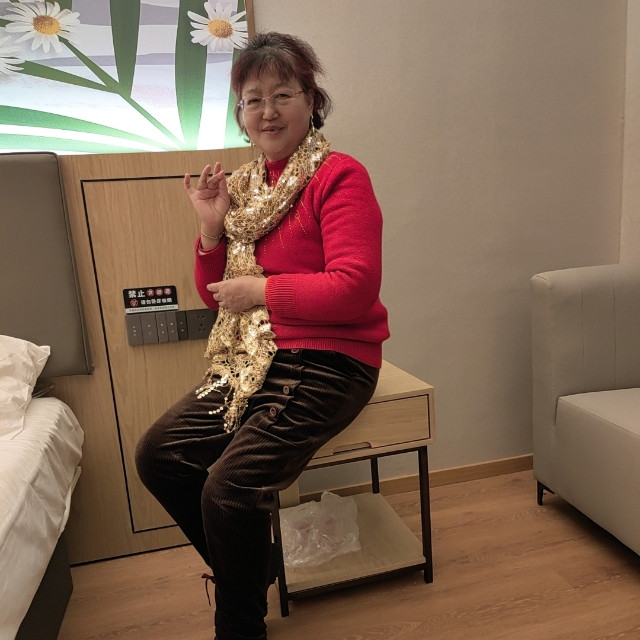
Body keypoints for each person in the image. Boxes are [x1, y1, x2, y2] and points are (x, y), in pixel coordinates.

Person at [135, 31, 389, 640]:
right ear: (241, 113)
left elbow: (353, 288)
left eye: (283, 95)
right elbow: (215, 295)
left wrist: (264, 291)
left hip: (332, 360)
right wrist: (210, 229)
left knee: (229, 487)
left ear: (311, 101)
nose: (267, 111)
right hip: (255, 359)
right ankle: (253, 567)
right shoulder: (244, 187)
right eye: (253, 100)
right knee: (159, 456)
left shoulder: (340, 176)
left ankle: (240, 621)